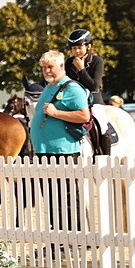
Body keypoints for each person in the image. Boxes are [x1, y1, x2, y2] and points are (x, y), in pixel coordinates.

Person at [30, 49, 91, 233]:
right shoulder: (49, 87)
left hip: (63, 150)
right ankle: (58, 235)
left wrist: (56, 113)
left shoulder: (72, 88)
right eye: (43, 68)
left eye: (50, 67)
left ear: (62, 66)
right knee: (51, 197)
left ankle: (76, 235)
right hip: (44, 150)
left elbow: (84, 115)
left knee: (68, 195)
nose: (46, 71)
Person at [64, 28, 105, 105]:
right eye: (74, 48)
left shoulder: (97, 61)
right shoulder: (69, 62)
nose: (76, 51)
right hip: (74, 101)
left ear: (88, 46)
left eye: (79, 47)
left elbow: (94, 86)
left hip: (93, 102)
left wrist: (81, 69)